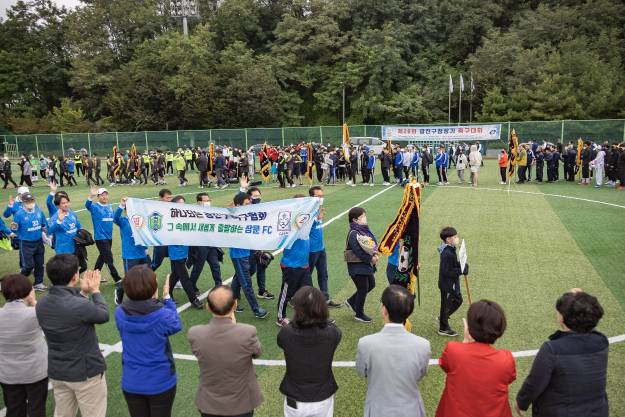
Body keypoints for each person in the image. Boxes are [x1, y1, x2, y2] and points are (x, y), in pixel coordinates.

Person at [36, 255, 109, 417]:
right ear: (75, 276)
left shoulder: (41, 304)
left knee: (63, 414)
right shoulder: (79, 305)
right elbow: (103, 315)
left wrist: (83, 292)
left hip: (58, 372)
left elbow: (69, 311)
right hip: (85, 373)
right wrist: (95, 291)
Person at [516, 289, 608, 417]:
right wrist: (582, 300)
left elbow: (535, 382)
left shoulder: (552, 349)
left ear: (562, 318)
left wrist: (521, 402)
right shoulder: (601, 341)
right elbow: (589, 325)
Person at [116, 265, 182, 417]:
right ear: (153, 289)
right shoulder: (162, 315)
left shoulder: (120, 312)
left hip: (131, 381)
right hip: (161, 382)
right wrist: (166, 297)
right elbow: (175, 324)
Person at [187, 285, 264, 417]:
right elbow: (257, 352)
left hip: (209, 404)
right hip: (242, 403)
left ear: (208, 307)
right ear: (235, 305)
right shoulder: (247, 332)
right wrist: (233, 327)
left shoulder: (195, 334)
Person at [356, 285, 431, 417]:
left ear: (384, 310)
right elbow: (420, 374)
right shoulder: (423, 345)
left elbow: (362, 372)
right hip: (411, 411)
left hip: (378, 411)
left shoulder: (365, 343)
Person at [436, 300, 515, 417]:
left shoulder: (454, 351)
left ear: (469, 327)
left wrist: (465, 342)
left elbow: (445, 364)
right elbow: (510, 377)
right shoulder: (506, 360)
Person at [278, 287, 341, 417]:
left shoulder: (286, 333)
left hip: (294, 399)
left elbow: (282, 341)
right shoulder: (333, 332)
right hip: (322, 398)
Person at [0, 274, 48, 417]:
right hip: (35, 372)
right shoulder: (35, 313)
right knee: (37, 409)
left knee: (14, 409)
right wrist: (34, 302)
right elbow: (51, 316)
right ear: (28, 292)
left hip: (8, 374)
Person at [229, 192, 268, 319]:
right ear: (238, 205)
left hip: (249, 251)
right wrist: (241, 189)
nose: (249, 205)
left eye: (249, 202)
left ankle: (231, 301)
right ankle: (256, 309)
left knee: (242, 276)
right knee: (246, 282)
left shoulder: (248, 214)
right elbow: (231, 211)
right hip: (239, 254)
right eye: (246, 204)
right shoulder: (233, 217)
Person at [276, 194, 313, 327]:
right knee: (286, 293)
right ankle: (280, 317)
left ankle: (309, 316)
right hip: (291, 265)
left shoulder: (306, 220)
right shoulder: (290, 222)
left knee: (308, 292)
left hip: (304, 265)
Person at [168, 195, 203, 309]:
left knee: (175, 275)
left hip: (184, 252)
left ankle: (168, 293)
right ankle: (193, 299)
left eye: (184, 203)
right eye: (180, 204)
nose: (182, 206)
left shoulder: (185, 217)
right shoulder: (170, 219)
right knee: (184, 277)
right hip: (175, 252)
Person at [344, 207, 378, 323]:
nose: (365, 218)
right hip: (357, 267)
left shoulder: (362, 230)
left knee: (371, 285)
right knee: (363, 289)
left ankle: (351, 301)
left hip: (364, 265)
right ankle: (359, 314)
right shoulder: (354, 233)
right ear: (355, 220)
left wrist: (374, 253)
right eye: (362, 216)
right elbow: (358, 251)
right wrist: (371, 259)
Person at [308, 186, 340, 308]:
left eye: (322, 196)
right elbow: (303, 228)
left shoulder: (318, 209)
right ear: (311, 197)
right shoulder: (308, 211)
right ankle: (298, 298)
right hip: (310, 250)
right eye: (318, 196)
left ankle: (325, 299)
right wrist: (317, 218)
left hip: (321, 248)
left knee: (323, 274)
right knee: (306, 277)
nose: (321, 198)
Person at [86, 187, 122, 289]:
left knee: (102, 257)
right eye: (102, 195)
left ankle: (93, 276)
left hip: (109, 237)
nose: (104, 196)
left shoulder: (110, 207)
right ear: (98, 196)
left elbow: (115, 219)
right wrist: (91, 196)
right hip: (100, 238)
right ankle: (117, 279)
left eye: (106, 194)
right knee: (108, 259)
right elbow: (87, 205)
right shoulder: (95, 207)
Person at [12, 192, 48, 291]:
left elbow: (44, 225)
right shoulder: (19, 214)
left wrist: (48, 234)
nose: (30, 202)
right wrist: (19, 234)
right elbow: (14, 228)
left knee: (40, 264)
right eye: (27, 201)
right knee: (28, 266)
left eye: (32, 200)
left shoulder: (39, 211)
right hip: (26, 244)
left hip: (39, 242)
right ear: (23, 202)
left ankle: (38, 283)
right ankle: (18, 281)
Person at [188, 193, 223, 294]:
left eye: (209, 200)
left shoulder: (212, 212)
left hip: (211, 244)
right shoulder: (193, 213)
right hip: (200, 245)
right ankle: (192, 286)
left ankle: (219, 285)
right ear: (199, 202)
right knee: (198, 268)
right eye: (205, 200)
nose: (208, 202)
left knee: (215, 266)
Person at [437, 226, 468, 337]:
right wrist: (461, 270)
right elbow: (447, 271)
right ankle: (443, 327)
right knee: (451, 302)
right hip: (447, 285)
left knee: (456, 300)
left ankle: (443, 317)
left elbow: (452, 266)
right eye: (454, 237)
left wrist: (462, 266)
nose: (457, 238)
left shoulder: (450, 249)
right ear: (448, 239)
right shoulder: (447, 253)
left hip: (450, 284)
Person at [48, 193, 87, 273]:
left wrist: (83, 234)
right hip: (64, 249)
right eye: (63, 203)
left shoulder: (72, 213)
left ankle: (72, 277)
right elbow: (49, 231)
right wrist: (59, 221)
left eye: (67, 202)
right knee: (66, 270)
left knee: (83, 266)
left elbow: (79, 227)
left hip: (76, 246)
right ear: (58, 206)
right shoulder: (55, 217)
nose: (66, 205)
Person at [151, 189, 173, 271]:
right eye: (167, 198)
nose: (169, 200)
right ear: (160, 198)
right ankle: (145, 277)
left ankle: (177, 280)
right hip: (160, 242)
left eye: (170, 198)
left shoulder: (173, 207)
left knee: (177, 262)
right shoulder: (154, 209)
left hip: (172, 241)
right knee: (156, 263)